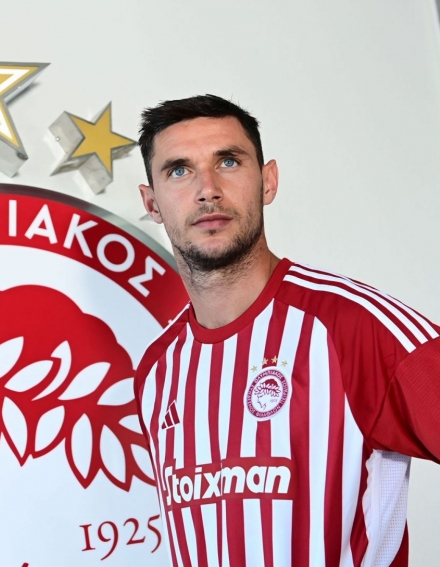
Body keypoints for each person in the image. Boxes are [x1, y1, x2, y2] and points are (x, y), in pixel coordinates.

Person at [134, 94, 440, 566]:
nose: (207, 189)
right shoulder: (157, 370)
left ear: (268, 181)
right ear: (152, 203)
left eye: (228, 161)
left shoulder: (354, 328)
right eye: (179, 170)